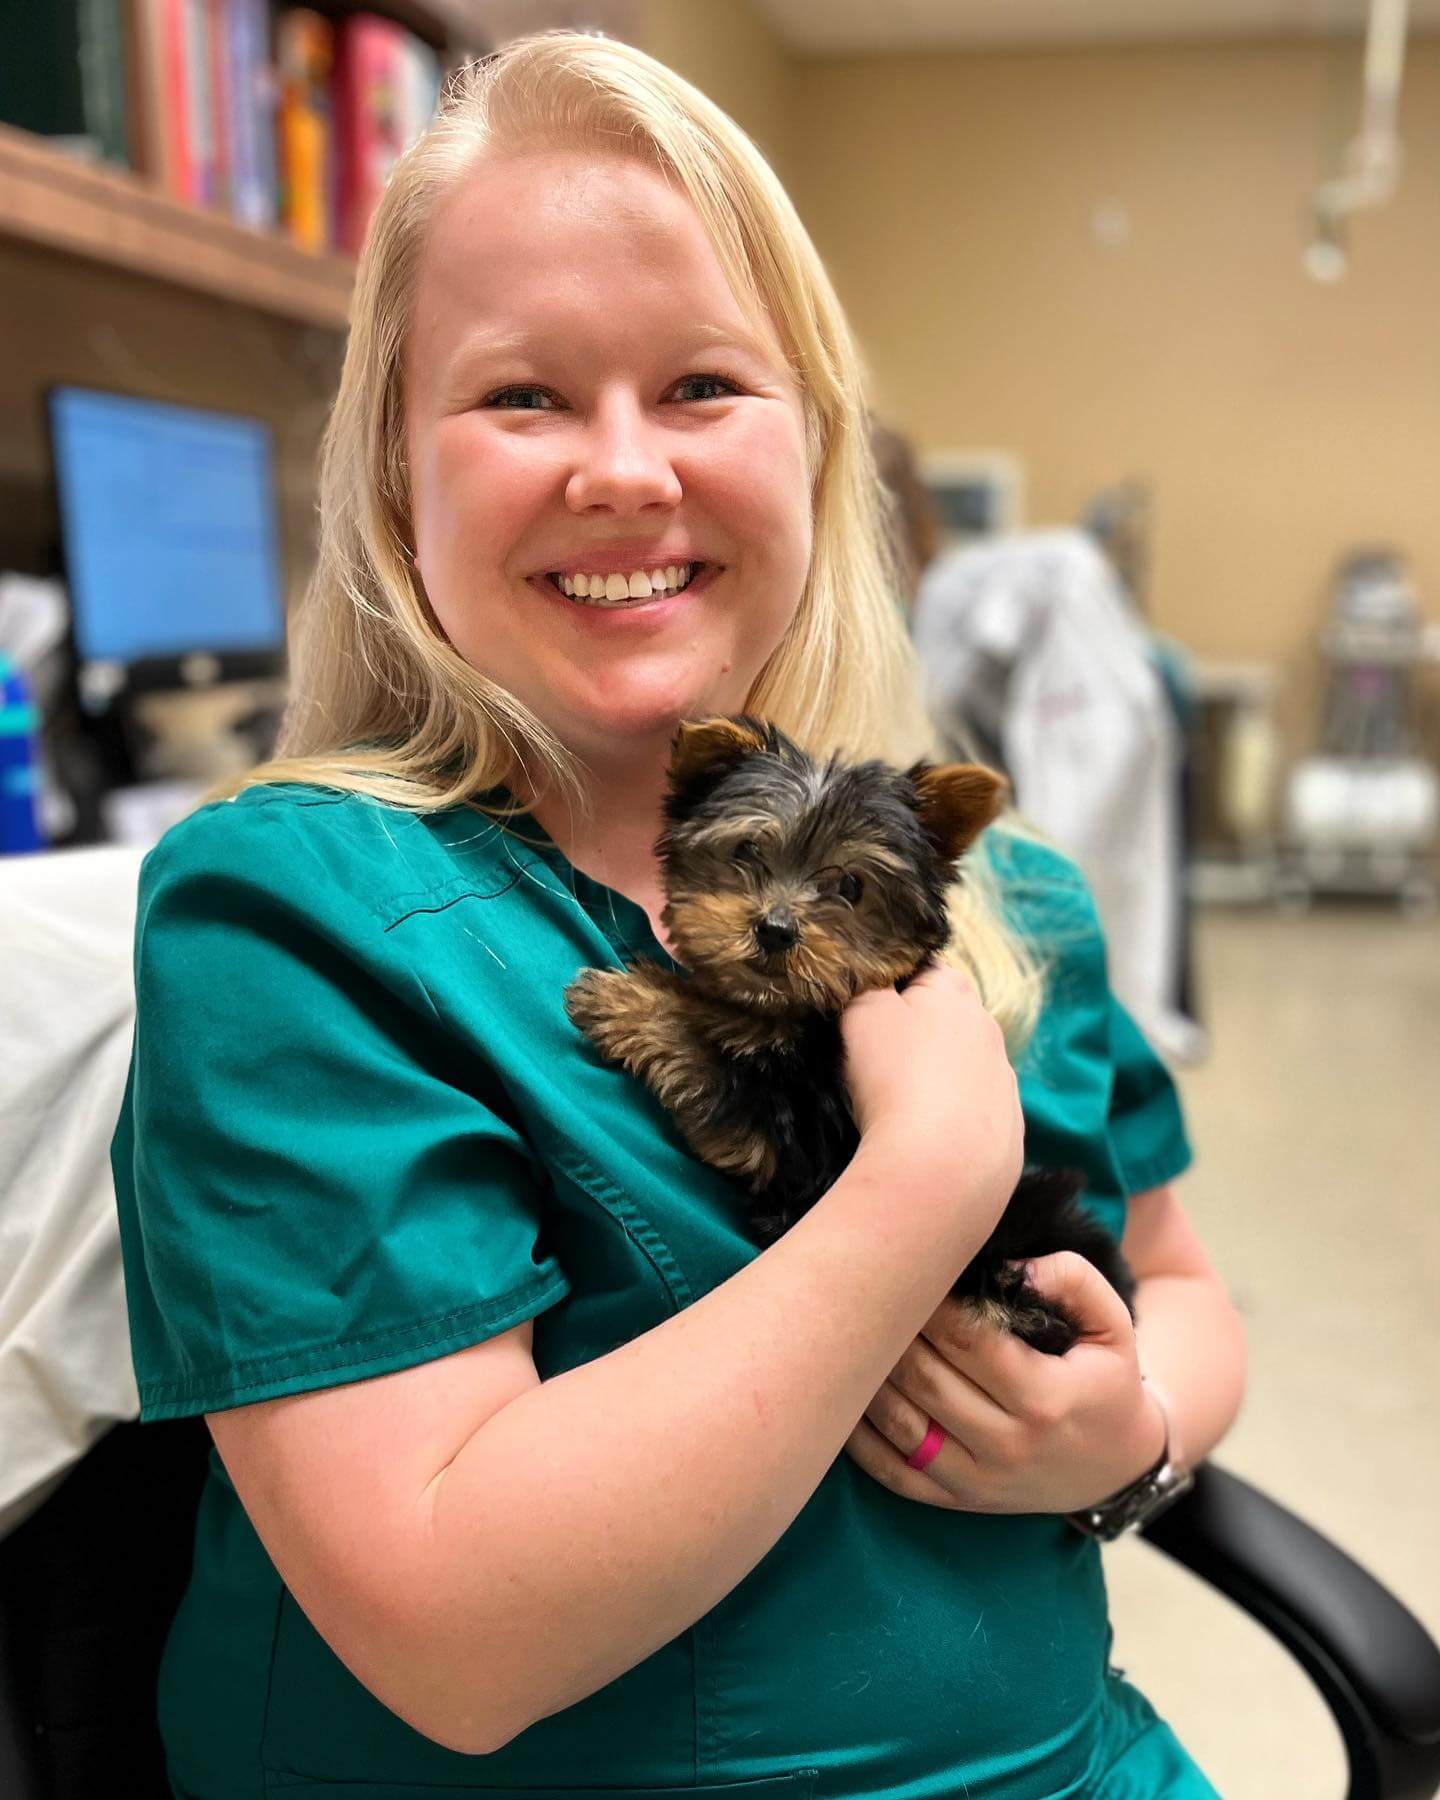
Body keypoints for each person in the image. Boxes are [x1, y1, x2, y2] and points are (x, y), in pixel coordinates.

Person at [111, 31, 1246, 1799]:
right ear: (400, 474)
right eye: (522, 396)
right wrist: (924, 1176)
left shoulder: (1005, 902)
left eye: (704, 385)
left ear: (815, 446)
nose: (624, 470)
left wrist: (1139, 1426)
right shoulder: (293, 914)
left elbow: (1173, 1278)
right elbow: (454, 1642)